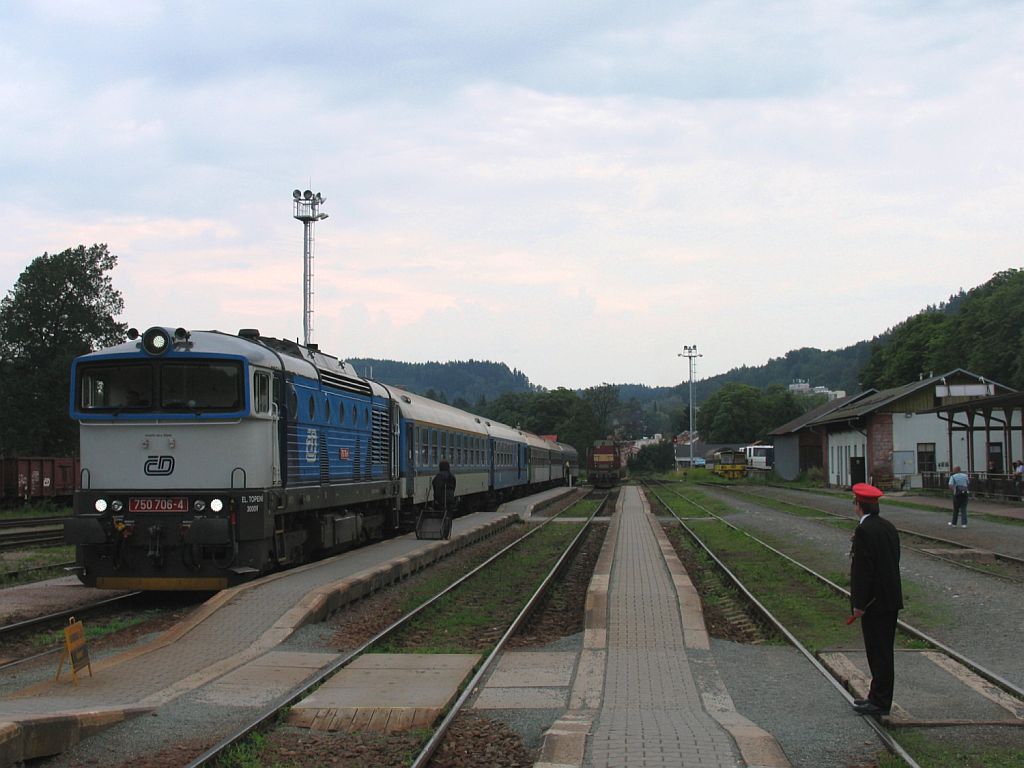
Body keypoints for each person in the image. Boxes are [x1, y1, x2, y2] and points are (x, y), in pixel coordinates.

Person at [849, 482, 903, 717]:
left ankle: (880, 702)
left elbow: (863, 570)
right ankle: (875, 696)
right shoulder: (888, 527)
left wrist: (859, 604)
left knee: (878, 651)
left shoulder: (864, 531)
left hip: (874, 603)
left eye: (855, 503)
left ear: (859, 505)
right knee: (882, 650)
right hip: (889, 599)